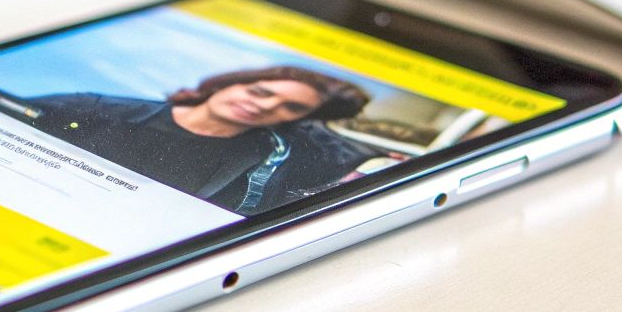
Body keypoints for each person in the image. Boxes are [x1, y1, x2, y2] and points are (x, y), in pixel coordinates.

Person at [26, 65, 380, 214]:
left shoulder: (272, 161)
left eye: (291, 107)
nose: (264, 105)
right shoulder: (94, 108)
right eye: (259, 90)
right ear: (227, 83)